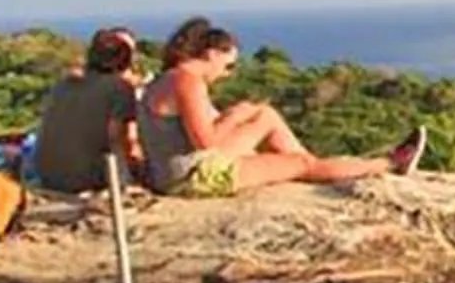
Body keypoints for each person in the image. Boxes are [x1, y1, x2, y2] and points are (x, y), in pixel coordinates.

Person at [138, 18, 424, 196]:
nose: (227, 74)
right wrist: (234, 117)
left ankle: (314, 166)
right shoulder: (187, 81)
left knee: (265, 115)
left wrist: (239, 115)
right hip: (193, 176)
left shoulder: (168, 78)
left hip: (176, 171)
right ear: (211, 54)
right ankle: (389, 164)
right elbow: (207, 143)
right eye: (228, 65)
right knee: (301, 164)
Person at [26, 27, 146, 193]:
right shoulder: (119, 89)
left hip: (47, 175)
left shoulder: (63, 84)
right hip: (85, 180)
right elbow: (119, 137)